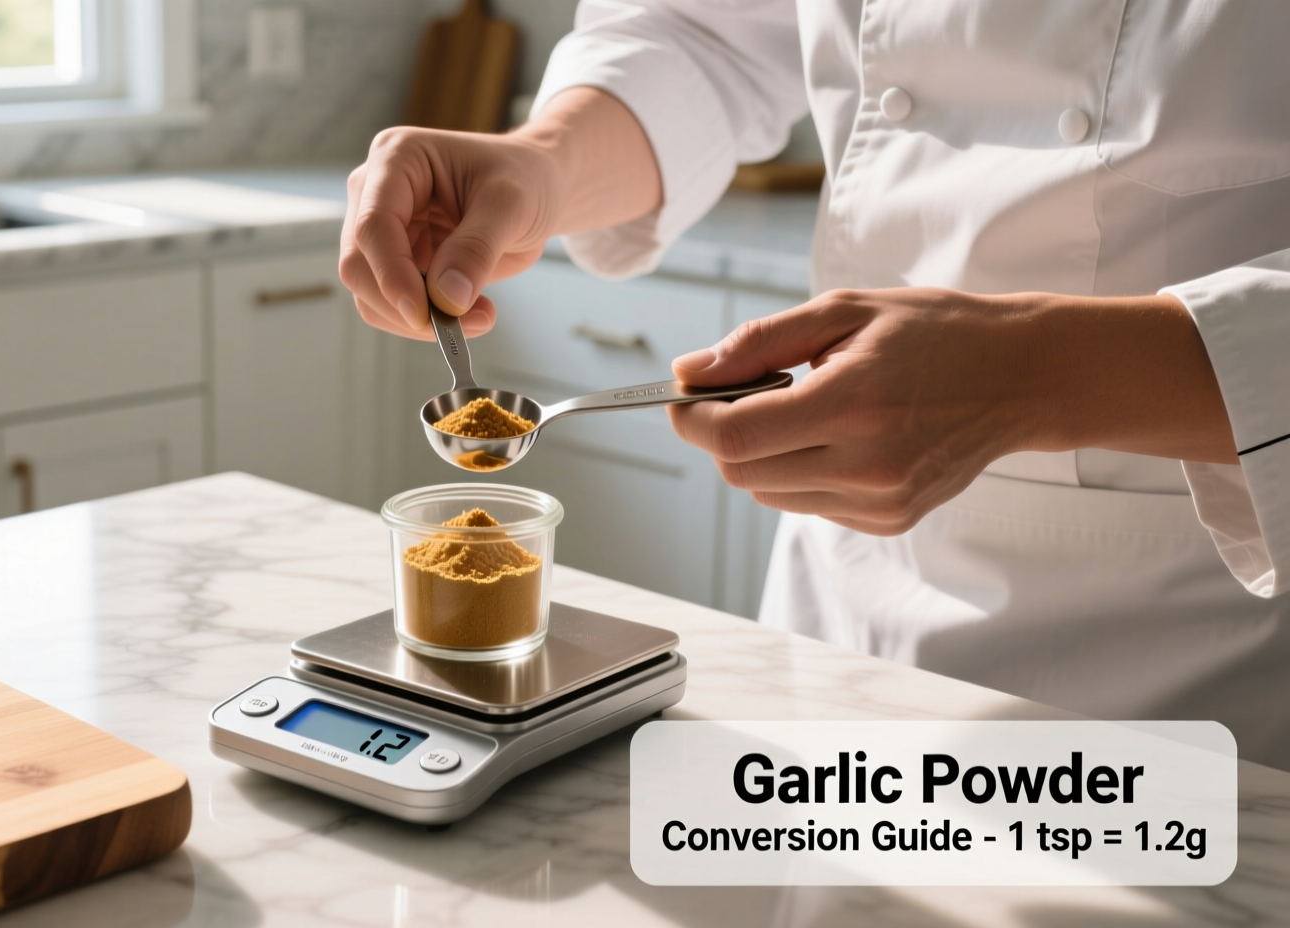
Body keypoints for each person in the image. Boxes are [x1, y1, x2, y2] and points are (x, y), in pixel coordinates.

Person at [338, 1, 1290, 768]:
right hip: (839, 627)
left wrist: (1041, 376)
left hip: (1192, 644)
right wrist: (544, 161)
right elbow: (700, 33)